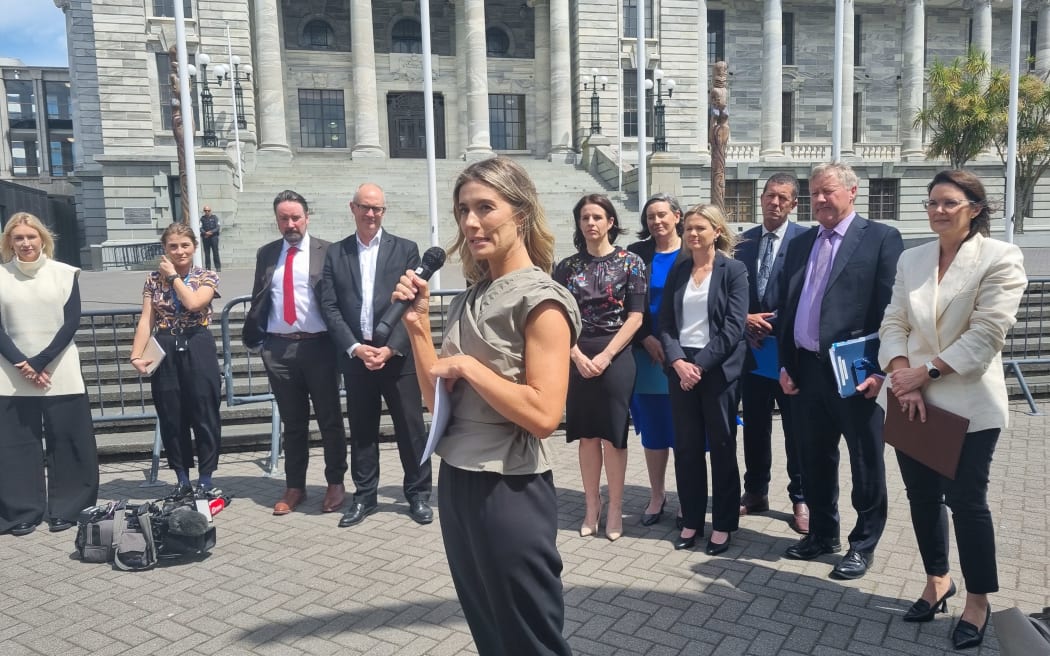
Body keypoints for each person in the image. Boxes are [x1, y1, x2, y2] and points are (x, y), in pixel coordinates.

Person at [393, 156, 579, 656]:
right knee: (489, 632)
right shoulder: (468, 297)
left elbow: (544, 416)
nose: (470, 223)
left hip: (510, 487)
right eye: (462, 211)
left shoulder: (542, 300)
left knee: (530, 638)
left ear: (519, 213)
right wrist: (416, 326)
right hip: (456, 477)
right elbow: (438, 398)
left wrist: (472, 369)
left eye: (484, 208)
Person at [879, 169, 1026, 650]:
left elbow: (987, 333)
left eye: (948, 203)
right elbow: (894, 321)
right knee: (920, 497)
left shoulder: (1000, 258)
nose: (937, 211)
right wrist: (903, 377)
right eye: (932, 203)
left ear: (975, 208)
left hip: (967, 405)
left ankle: (978, 599)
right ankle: (937, 580)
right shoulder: (912, 258)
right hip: (911, 402)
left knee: (966, 503)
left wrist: (926, 374)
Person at [777, 161, 903, 580]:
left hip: (856, 374)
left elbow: (891, 311)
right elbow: (788, 308)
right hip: (806, 371)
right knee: (813, 458)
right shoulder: (801, 243)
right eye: (814, 193)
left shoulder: (881, 239)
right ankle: (822, 534)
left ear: (853, 192)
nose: (819, 200)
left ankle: (862, 544)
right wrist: (786, 364)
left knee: (865, 459)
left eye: (828, 191)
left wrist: (882, 371)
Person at [319, 183, 432, 528]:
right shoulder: (335, 254)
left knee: (411, 428)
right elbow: (329, 305)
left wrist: (390, 347)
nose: (371, 214)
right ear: (352, 208)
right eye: (365, 207)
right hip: (357, 356)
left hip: (397, 356)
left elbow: (413, 303)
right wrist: (355, 347)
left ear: (384, 212)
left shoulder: (406, 250)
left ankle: (417, 494)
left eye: (377, 209)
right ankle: (365, 496)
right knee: (363, 430)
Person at [243, 190, 347, 516]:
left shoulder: (328, 252)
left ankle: (335, 483)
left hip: (319, 346)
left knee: (330, 420)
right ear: (277, 221)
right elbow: (261, 297)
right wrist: (260, 343)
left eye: (296, 217)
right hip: (279, 349)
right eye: (284, 218)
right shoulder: (267, 253)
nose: (290, 224)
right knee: (293, 422)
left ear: (307, 218)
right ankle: (295, 486)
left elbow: (338, 300)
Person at [554, 194, 645, 542]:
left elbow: (636, 317)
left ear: (610, 222)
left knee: (613, 434)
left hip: (616, 354)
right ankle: (592, 506)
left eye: (598, 217)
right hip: (577, 353)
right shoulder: (566, 268)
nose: (591, 223)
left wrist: (606, 355)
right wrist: (575, 355)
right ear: (579, 224)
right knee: (587, 434)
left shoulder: (631, 262)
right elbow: (558, 319)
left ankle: (617, 507)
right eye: (585, 217)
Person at [0, 213, 98, 537]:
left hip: (59, 369)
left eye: (31, 236)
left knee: (69, 441)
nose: (26, 243)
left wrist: (39, 362)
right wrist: (22, 364)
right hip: (11, 373)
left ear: (43, 238)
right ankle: (22, 512)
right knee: (16, 446)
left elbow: (71, 323)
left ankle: (69, 509)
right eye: (18, 238)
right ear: (9, 242)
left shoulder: (65, 274)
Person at [658, 204, 747, 556]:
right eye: (689, 229)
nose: (693, 234)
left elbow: (733, 327)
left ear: (717, 231)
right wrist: (678, 360)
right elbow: (665, 323)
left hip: (718, 370)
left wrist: (701, 366)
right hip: (681, 369)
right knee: (687, 449)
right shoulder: (679, 270)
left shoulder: (733, 270)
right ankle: (692, 519)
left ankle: (723, 523)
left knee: (723, 447)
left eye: (701, 228)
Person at [735, 173, 809, 533]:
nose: (774, 203)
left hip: (790, 352)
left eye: (783, 198)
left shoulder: (806, 241)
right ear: (760, 199)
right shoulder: (742, 242)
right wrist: (745, 319)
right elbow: (730, 292)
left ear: (794, 204)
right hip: (752, 352)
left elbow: (809, 294)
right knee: (755, 426)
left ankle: (800, 496)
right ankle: (755, 490)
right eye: (769, 196)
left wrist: (776, 321)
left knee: (796, 428)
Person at [130, 223, 222, 494]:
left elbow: (195, 303)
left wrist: (173, 278)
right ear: (165, 249)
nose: (179, 251)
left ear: (194, 247)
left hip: (197, 342)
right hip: (165, 344)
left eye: (185, 245)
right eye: (173, 246)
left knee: (205, 410)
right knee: (171, 414)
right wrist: (136, 354)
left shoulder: (207, 276)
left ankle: (206, 476)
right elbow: (146, 320)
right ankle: (181, 477)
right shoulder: (151, 279)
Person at [626, 193, 687, 527]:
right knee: (653, 430)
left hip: (682, 353)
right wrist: (645, 337)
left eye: (662, 214)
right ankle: (656, 495)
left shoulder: (692, 250)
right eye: (650, 217)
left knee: (684, 431)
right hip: (647, 355)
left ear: (677, 216)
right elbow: (626, 302)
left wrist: (671, 343)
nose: (656, 222)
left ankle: (684, 497)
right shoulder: (636, 254)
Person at [199, 205, 221, 272]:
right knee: (207, 253)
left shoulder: (215, 218)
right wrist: (205, 233)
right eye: (205, 210)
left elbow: (218, 227)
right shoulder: (202, 219)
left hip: (214, 237)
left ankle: (218, 267)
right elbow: (200, 227)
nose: (207, 212)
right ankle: (208, 267)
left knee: (215, 252)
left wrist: (211, 232)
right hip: (206, 237)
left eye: (208, 210)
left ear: (210, 211)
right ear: (204, 211)